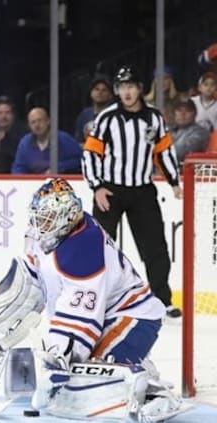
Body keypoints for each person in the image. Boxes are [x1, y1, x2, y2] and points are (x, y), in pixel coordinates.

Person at [0, 178, 185, 421]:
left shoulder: (82, 250)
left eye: (47, 218)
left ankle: (153, 392)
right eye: (38, 216)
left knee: (84, 380)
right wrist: (18, 319)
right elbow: (35, 273)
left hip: (133, 317)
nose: (39, 223)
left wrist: (59, 356)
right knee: (72, 376)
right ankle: (133, 369)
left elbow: (80, 321)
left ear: (65, 217)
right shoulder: (49, 231)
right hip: (106, 315)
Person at [81, 65, 183, 319]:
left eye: (131, 86)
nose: (126, 92)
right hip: (111, 190)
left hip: (142, 190)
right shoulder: (107, 118)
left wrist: (174, 182)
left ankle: (162, 299)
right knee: (100, 246)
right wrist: (97, 187)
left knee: (155, 247)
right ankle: (98, 298)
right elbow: (91, 152)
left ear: (139, 89)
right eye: (122, 87)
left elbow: (164, 152)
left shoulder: (154, 118)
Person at [11, 107, 82, 174]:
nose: (37, 125)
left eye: (40, 120)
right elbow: (18, 167)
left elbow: (79, 160)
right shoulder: (25, 142)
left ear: (48, 121)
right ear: (29, 125)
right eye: (33, 122)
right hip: (34, 183)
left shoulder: (63, 139)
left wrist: (58, 168)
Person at [73, 74, 114, 144]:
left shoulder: (113, 115)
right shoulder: (84, 115)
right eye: (96, 89)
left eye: (104, 90)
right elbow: (78, 141)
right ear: (91, 93)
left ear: (110, 95)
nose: (100, 92)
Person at [170, 97, 210, 163]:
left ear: (195, 114)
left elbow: (181, 152)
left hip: (187, 169)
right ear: (174, 113)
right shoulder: (169, 130)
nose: (182, 114)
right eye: (179, 110)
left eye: (187, 111)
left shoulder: (200, 133)